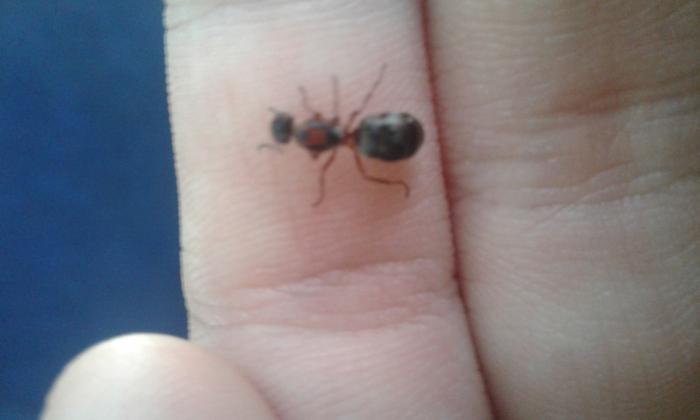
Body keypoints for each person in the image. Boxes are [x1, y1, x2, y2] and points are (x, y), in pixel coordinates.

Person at [42, 1, 699, 419]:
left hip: (383, 136)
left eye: (294, 129)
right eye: (297, 130)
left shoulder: (329, 136)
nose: (301, 128)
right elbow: (328, 119)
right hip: (380, 137)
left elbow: (328, 121)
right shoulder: (328, 134)